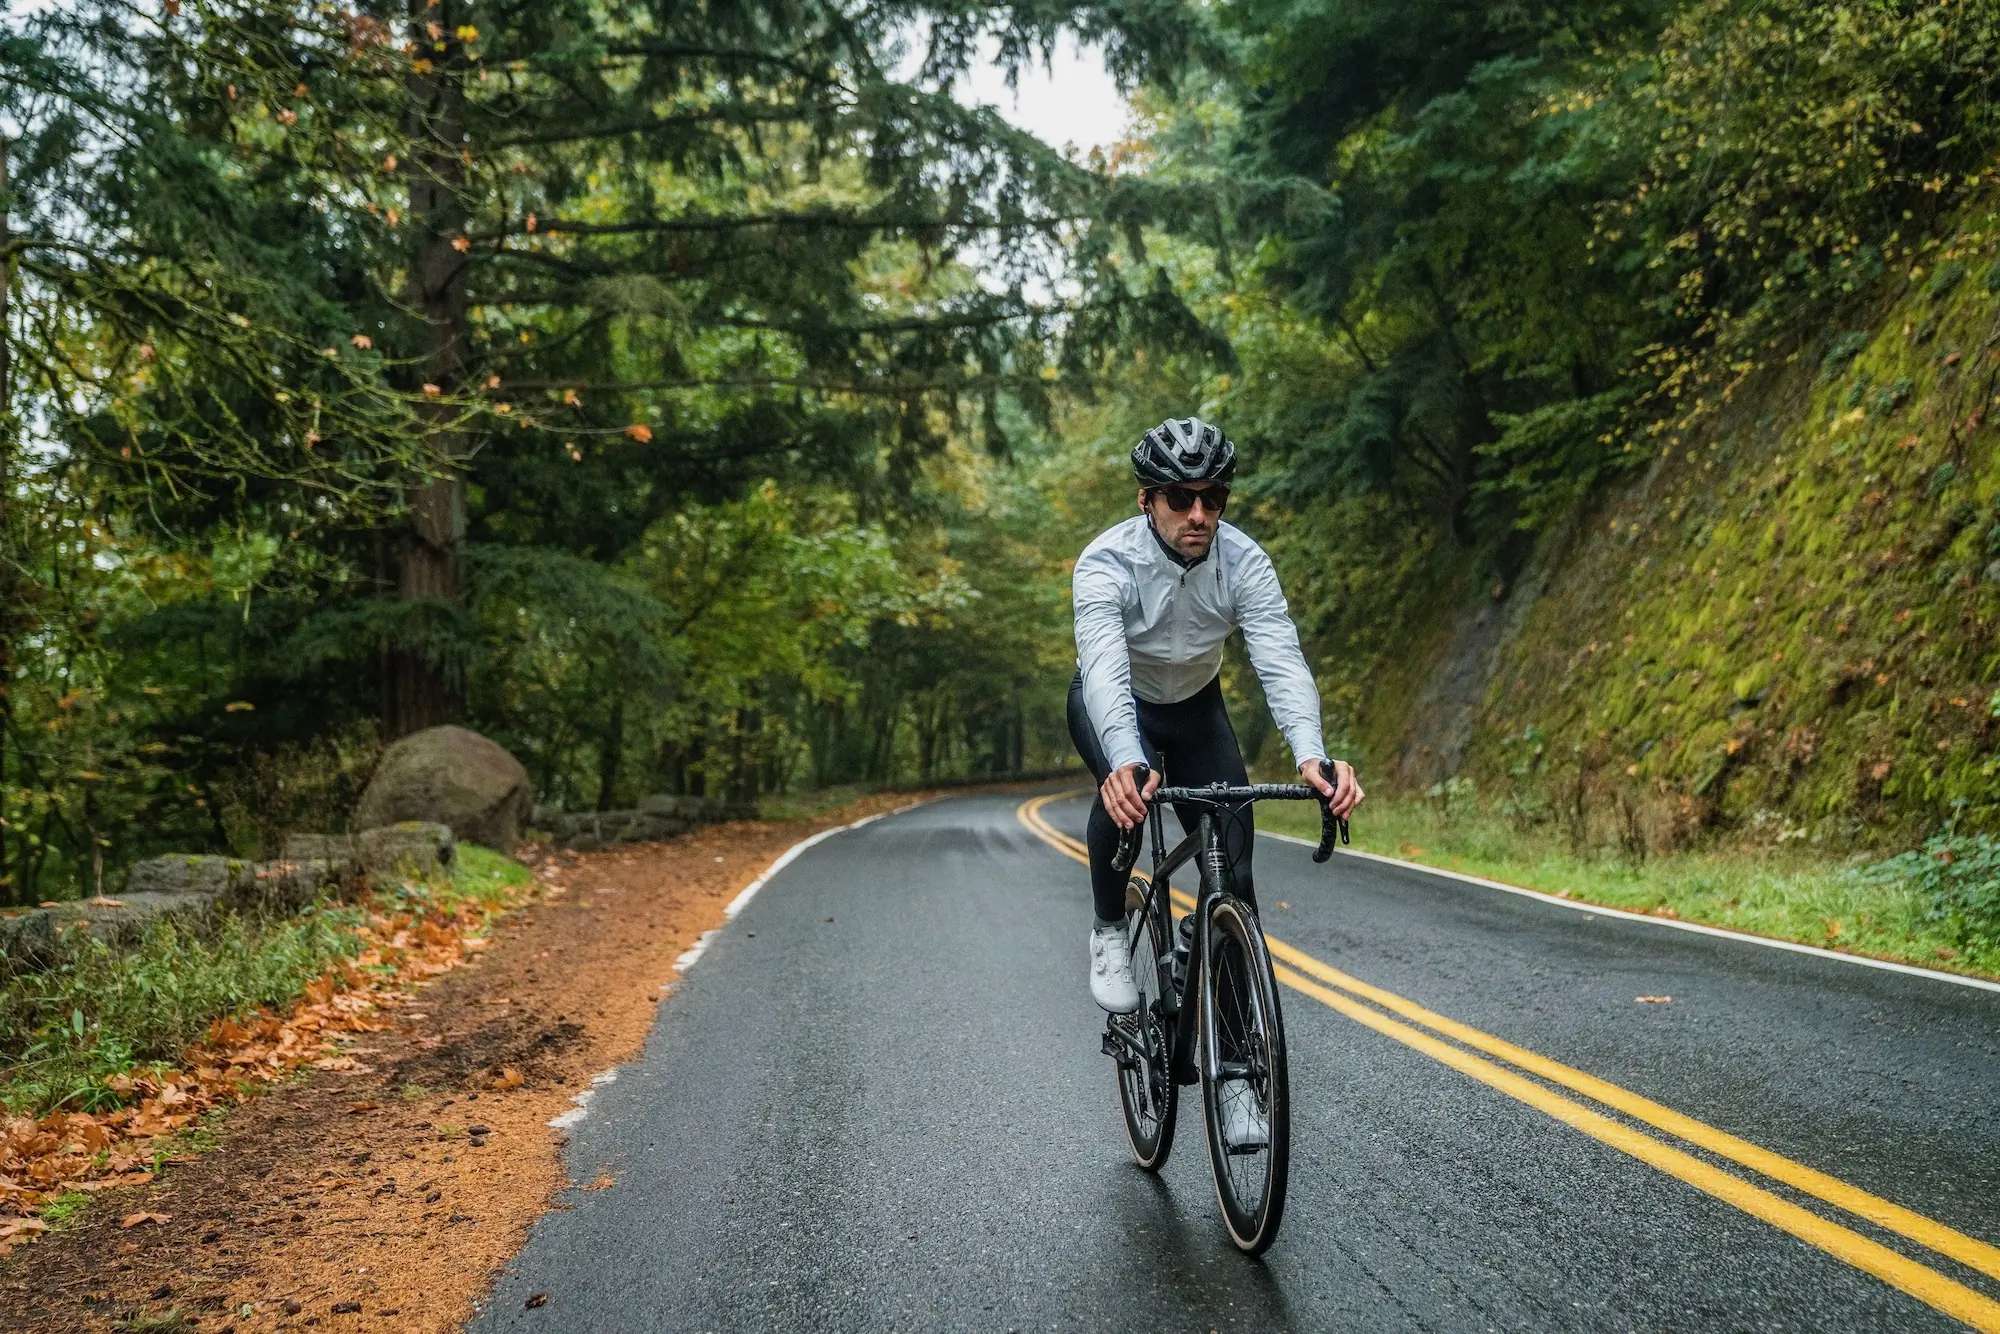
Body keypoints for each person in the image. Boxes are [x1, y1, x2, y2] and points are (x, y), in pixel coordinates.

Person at [1069, 416, 1364, 1019]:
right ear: (1147, 501)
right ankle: (1108, 930)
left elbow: (1280, 658)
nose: (1198, 514)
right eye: (1180, 498)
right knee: (1123, 797)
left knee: (1236, 876)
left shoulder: (1244, 562)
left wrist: (1313, 755)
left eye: (1214, 498)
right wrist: (1125, 758)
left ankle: (1234, 1070)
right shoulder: (1106, 562)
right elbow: (1103, 669)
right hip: (1121, 703)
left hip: (1198, 709)